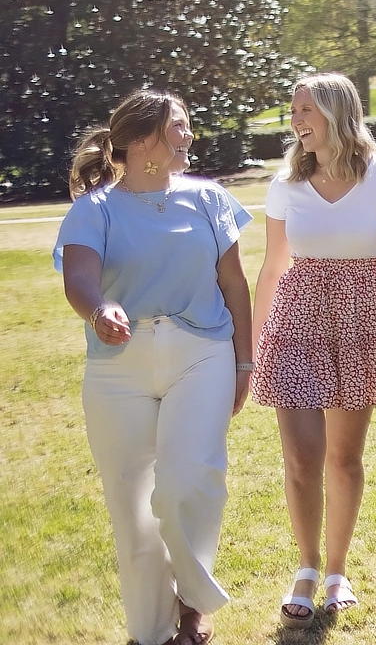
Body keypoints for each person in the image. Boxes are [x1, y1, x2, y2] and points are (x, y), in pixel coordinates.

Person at [55, 90, 253, 645]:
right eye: (180, 127)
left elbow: (234, 284)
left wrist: (244, 360)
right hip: (118, 368)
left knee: (187, 481)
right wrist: (99, 309)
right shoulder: (94, 209)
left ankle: (194, 601)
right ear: (143, 141)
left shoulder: (210, 200)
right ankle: (154, 630)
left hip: (203, 353)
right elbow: (79, 278)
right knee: (131, 505)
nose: (189, 136)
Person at [253, 73, 376, 624]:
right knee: (302, 456)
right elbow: (273, 266)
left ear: (335, 113)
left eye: (305, 110)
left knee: (344, 457)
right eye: (293, 111)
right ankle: (305, 566)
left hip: (362, 317)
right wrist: (252, 348)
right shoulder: (285, 184)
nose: (296, 121)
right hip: (297, 319)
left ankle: (336, 570)